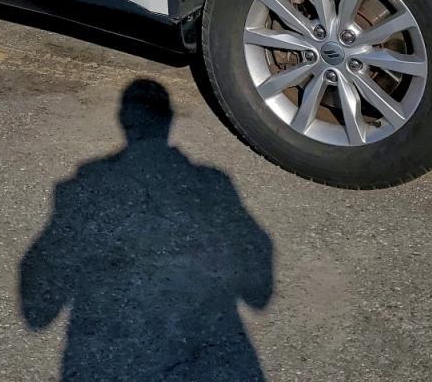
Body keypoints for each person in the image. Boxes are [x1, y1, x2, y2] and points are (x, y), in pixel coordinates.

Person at [20, 78, 273, 381]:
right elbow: (259, 291)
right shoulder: (213, 186)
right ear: (168, 121)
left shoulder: (82, 189)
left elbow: (38, 310)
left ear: (124, 121)